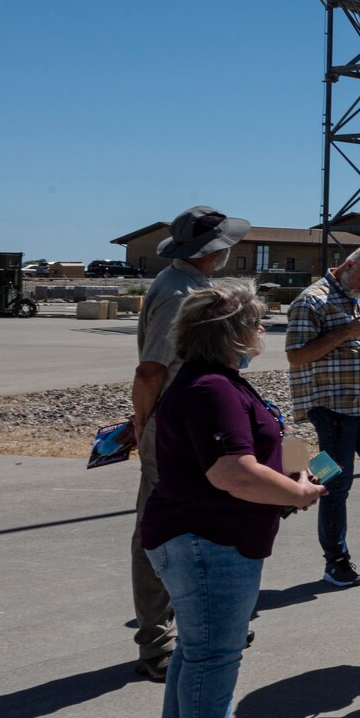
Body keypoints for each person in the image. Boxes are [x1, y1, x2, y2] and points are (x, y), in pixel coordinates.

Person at [140, 281, 325, 718]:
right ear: (232, 332)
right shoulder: (211, 388)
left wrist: (288, 476)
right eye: (257, 321)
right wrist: (297, 492)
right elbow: (231, 472)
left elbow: (241, 463)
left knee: (197, 651)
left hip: (202, 535)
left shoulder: (215, 382)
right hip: (206, 540)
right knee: (214, 655)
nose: (263, 330)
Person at [127, 205, 250, 681]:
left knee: (201, 525)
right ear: (211, 250)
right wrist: (143, 426)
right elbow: (150, 371)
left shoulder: (194, 287)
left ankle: (199, 629)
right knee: (157, 533)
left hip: (192, 425)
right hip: (176, 430)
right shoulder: (179, 294)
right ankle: (156, 644)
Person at [286, 245, 360, 587]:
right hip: (334, 408)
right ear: (348, 265)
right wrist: (344, 332)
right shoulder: (312, 300)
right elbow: (296, 356)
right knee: (337, 484)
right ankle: (335, 560)